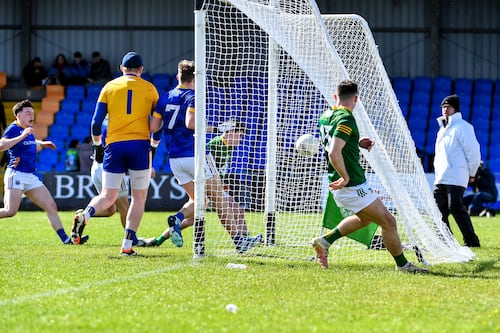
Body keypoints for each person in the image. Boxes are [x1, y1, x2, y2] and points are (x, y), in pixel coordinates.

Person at [144, 60, 262, 253]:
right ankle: (240, 242)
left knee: (200, 201)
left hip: (175, 159)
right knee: (219, 201)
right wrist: (215, 128)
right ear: (196, 78)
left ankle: (177, 219)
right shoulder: (193, 97)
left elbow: (154, 128)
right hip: (195, 156)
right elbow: (191, 123)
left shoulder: (165, 97)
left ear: (178, 77)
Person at [311, 80, 428, 273]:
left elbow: (336, 140)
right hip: (351, 184)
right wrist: (346, 177)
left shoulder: (326, 115)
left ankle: (324, 241)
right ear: (356, 98)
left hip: (342, 183)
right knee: (389, 221)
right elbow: (333, 152)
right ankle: (403, 265)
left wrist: (356, 141)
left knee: (365, 219)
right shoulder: (346, 118)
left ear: (335, 97)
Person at [70, 51, 159, 256]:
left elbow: (95, 123)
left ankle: (87, 214)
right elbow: (157, 124)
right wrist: (153, 148)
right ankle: (127, 246)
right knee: (138, 199)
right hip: (139, 145)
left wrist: (98, 146)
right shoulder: (150, 89)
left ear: (121, 69)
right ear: (141, 70)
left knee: (108, 196)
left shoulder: (109, 87)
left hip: (114, 146)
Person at [0, 100, 86, 244]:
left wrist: (42, 144)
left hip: (30, 176)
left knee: (51, 205)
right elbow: (1, 145)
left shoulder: (28, 129)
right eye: (28, 113)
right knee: (10, 211)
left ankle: (65, 239)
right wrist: (22, 135)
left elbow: (29, 145)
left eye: (33, 113)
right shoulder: (14, 128)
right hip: (16, 174)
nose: (31, 116)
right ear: (18, 115)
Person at [433, 94, 481, 247]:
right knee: (439, 209)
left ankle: (471, 241)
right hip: (441, 176)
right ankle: (447, 242)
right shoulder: (442, 129)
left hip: (456, 175)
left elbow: (473, 152)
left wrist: (473, 173)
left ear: (456, 109)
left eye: (449, 107)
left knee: (455, 206)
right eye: (443, 107)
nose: (445, 109)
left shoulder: (463, 127)